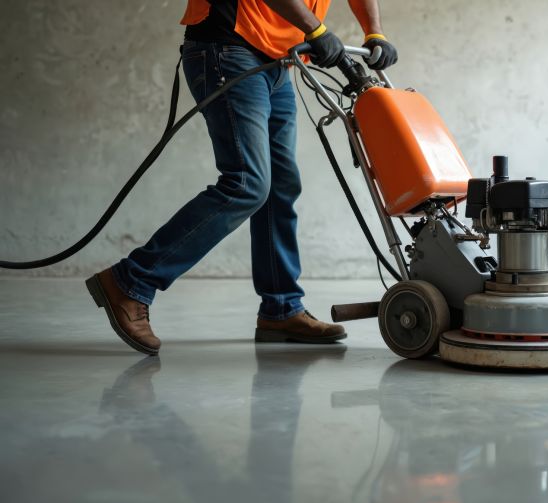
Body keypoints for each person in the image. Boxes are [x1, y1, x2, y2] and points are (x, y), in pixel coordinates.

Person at [85, 0, 398, 355]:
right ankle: (131, 280)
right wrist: (317, 29)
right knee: (247, 183)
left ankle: (281, 309)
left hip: (277, 61)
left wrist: (375, 31)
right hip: (227, 48)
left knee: (280, 187)